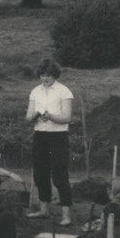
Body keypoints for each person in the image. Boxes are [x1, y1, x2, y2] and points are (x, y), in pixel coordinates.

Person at [25, 57, 74, 226]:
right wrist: (34, 116)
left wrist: (51, 116)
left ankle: (66, 215)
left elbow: (67, 117)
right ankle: (43, 210)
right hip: (40, 135)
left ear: (55, 75)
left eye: (47, 75)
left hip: (58, 137)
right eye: (42, 75)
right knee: (40, 174)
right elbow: (27, 117)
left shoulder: (64, 91)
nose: (44, 78)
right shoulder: (35, 92)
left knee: (60, 175)